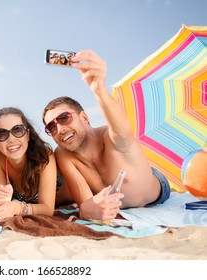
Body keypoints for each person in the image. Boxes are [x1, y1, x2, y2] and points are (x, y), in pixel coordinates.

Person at [42, 50, 170, 223]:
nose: (60, 129)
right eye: (51, 126)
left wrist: (99, 90)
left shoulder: (112, 139)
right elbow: (86, 205)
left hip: (155, 190)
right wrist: (88, 209)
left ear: (84, 117)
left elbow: (121, 128)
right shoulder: (63, 154)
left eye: (64, 118)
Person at [0, 107, 57, 222]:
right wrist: (2, 201)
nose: (11, 139)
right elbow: (0, 203)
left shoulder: (44, 156)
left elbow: (48, 209)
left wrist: (17, 207)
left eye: (18, 130)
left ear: (28, 135)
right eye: (2, 134)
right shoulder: (0, 160)